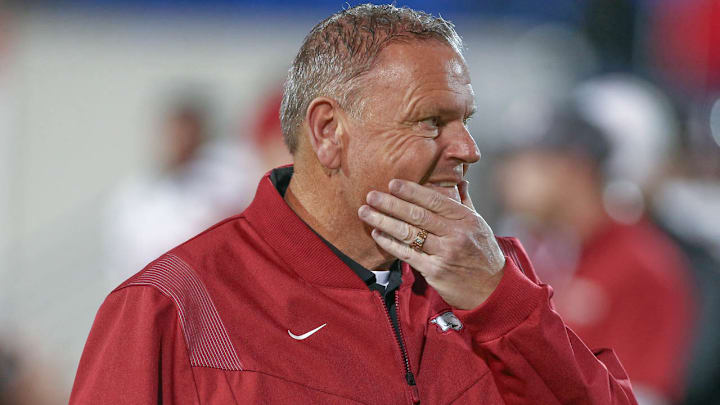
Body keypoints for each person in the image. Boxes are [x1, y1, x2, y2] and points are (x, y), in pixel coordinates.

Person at [71, 5, 637, 404]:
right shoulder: (171, 308)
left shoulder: (494, 285)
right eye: (431, 122)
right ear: (328, 132)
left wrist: (503, 306)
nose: (469, 150)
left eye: (466, 121)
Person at [495, 77, 695, 405]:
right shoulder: (528, 252)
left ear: (577, 169)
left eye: (532, 162)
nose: (509, 177)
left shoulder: (643, 263)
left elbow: (644, 395)